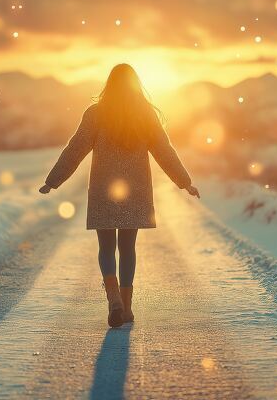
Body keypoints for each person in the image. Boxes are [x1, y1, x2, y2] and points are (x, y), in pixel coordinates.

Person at [39, 63, 200, 328]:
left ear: (109, 85)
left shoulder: (95, 114)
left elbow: (75, 149)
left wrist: (53, 181)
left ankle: (113, 299)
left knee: (106, 248)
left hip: (104, 188)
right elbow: (164, 150)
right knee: (127, 249)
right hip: (135, 189)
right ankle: (126, 307)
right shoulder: (145, 114)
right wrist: (184, 182)